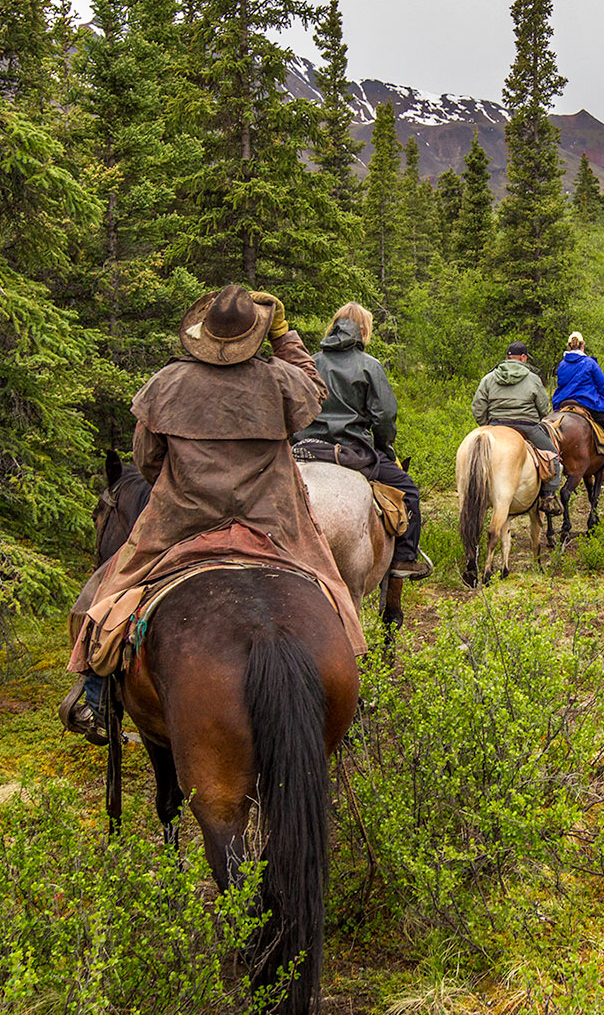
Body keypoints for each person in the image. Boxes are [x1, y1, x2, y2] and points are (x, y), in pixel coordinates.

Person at [61, 284, 367, 743]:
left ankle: (95, 694)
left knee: (105, 593)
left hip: (181, 525)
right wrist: (284, 335)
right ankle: (350, 676)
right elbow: (313, 387)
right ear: (255, 335)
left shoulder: (166, 384)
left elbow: (146, 460)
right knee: (333, 590)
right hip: (273, 523)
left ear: (202, 333)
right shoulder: (277, 378)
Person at [294, 303, 431, 579]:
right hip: (351, 451)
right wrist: (384, 448)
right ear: (364, 330)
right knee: (409, 490)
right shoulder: (369, 366)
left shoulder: (310, 361)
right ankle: (404, 559)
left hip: (304, 450)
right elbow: (384, 415)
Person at [472, 341, 565, 514]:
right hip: (526, 427)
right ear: (523, 357)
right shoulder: (532, 378)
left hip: (496, 425)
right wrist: (533, 419)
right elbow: (544, 408)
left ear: (508, 357)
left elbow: (478, 406)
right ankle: (549, 497)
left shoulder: (489, 377)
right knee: (553, 456)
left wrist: (487, 424)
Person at [552, 331, 604, 476]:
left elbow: (560, 385)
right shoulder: (590, 363)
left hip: (564, 402)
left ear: (569, 346)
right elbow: (602, 386)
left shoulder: (562, 364)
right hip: (587, 403)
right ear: (582, 345)